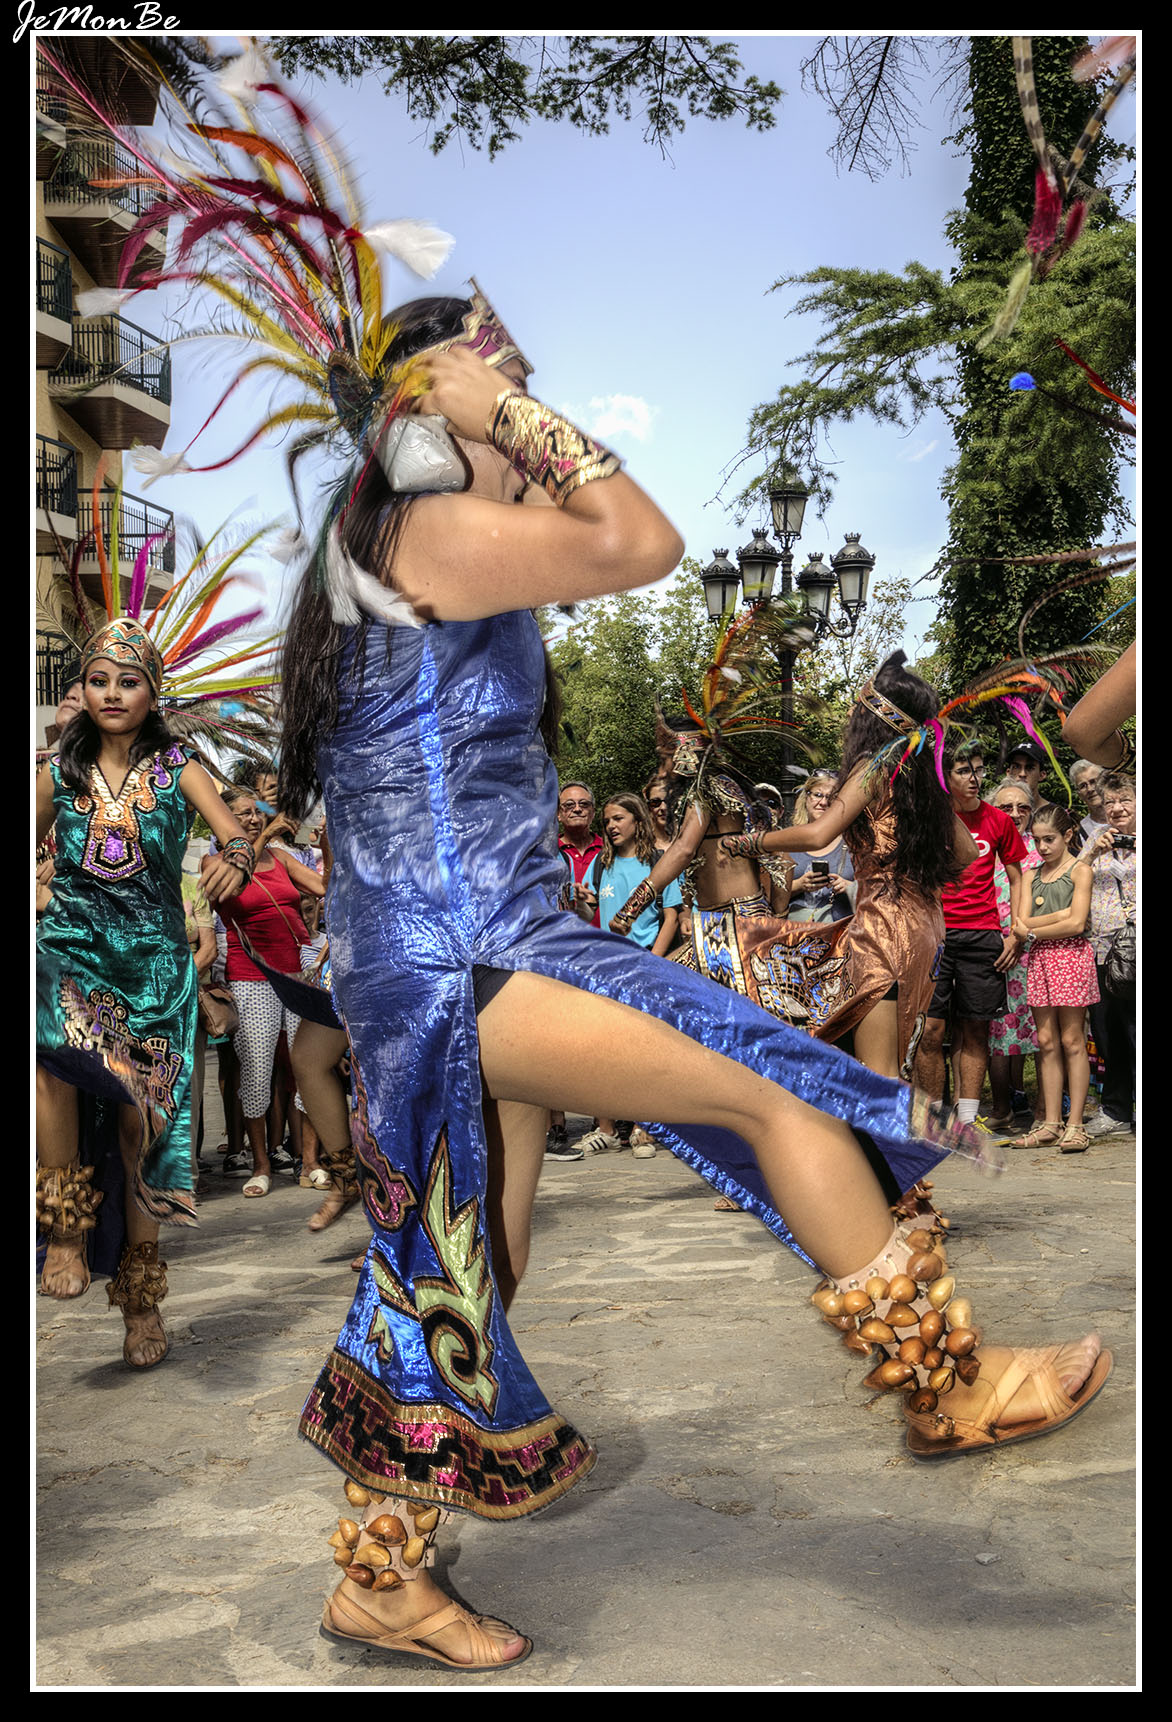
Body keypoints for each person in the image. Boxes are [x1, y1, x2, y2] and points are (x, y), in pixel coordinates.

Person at [274, 296, 1108, 1669]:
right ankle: (950, 1387)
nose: (528, 411)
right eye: (501, 381)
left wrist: (484, 409)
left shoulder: (418, 547)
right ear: (426, 411)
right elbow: (639, 540)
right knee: (775, 1093)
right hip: (462, 958)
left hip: (484, 944)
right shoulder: (422, 534)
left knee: (473, 1260)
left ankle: (381, 1573)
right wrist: (491, 409)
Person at [36, 618, 253, 1366]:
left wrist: (234, 859)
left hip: (155, 968)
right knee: (52, 1058)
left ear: (153, 694)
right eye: (97, 680)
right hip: (70, 948)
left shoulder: (177, 766)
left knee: (142, 1129)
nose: (111, 693)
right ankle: (65, 1230)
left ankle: (140, 1298)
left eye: (128, 682)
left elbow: (234, 833)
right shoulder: (59, 772)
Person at [723, 654, 976, 1085]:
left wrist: (748, 842)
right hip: (926, 926)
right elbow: (967, 853)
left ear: (872, 716)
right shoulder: (921, 779)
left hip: (884, 925)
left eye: (858, 705)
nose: (851, 713)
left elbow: (819, 833)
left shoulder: (874, 766)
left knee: (880, 1076)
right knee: (902, 1060)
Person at [216, 790, 326, 1198]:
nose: (253, 819)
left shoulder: (281, 858)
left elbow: (322, 886)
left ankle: (309, 1161)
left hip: (297, 975)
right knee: (257, 1071)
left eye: (257, 813)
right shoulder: (216, 865)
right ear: (224, 821)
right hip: (252, 979)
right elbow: (233, 888)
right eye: (242, 814)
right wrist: (263, 838)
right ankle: (261, 1164)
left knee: (307, 1066)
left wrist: (330, 843)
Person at [915, 737, 1028, 1127]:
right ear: (945, 777)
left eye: (979, 770)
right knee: (930, 1030)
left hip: (983, 935)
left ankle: (966, 1123)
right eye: (964, 771)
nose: (975, 779)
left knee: (976, 1030)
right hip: (936, 935)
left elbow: (1018, 876)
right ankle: (932, 1120)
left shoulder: (998, 820)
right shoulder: (931, 818)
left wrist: (1017, 931)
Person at [1010, 804, 1099, 1151]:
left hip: (1071, 957)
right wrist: (1057, 917)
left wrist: (1033, 929)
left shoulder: (1080, 870)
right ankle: (1050, 1122)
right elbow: (1019, 925)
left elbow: (1076, 924)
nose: (1042, 847)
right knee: (1046, 1041)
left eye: (1050, 839)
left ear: (1068, 835)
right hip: (1041, 960)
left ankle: (1075, 1124)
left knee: (1073, 1040)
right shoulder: (1031, 875)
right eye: (1037, 840)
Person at [984, 778, 1042, 1134]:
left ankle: (1046, 1113)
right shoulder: (984, 848)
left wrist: (1018, 937)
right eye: (1006, 807)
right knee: (998, 1033)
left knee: (1042, 1033)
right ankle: (1002, 1107)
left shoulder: (1041, 848)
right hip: (994, 953)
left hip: (1036, 953)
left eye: (1022, 807)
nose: (1015, 814)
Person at [1081, 772, 1137, 1137]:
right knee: (1107, 1032)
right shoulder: (1096, 840)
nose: (1117, 808)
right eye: (1110, 802)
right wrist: (1091, 853)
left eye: (1125, 800)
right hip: (1102, 951)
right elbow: (1069, 880)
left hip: (1136, 951)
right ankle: (1116, 1110)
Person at [785, 769, 856, 924]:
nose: (823, 802)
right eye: (817, 795)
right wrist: (798, 885)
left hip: (841, 933)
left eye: (830, 797)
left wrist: (850, 886)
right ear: (806, 797)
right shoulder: (788, 842)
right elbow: (767, 895)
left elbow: (876, 892)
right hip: (794, 932)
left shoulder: (854, 844)